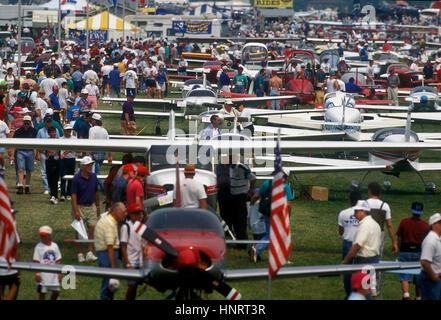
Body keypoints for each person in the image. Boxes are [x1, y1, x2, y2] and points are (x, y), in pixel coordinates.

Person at [249, 168, 293, 262]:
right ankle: (257, 249)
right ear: (286, 177)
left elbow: (256, 196)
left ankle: (257, 249)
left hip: (267, 213)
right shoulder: (286, 187)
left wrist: (251, 205)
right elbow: (288, 205)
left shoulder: (267, 183)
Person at [342, 200, 381, 298]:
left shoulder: (365, 226)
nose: (354, 214)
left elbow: (357, 246)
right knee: (367, 288)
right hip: (374, 259)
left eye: (356, 211)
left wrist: (345, 261)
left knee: (362, 290)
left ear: (363, 211)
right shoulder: (374, 224)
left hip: (364, 261)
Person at [94, 202, 128, 300]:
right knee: (109, 286)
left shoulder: (107, 220)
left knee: (109, 286)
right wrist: (114, 270)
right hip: (107, 256)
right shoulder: (110, 224)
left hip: (103, 255)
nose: (126, 214)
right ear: (116, 211)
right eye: (124, 212)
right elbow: (110, 248)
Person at [396, 201, 429, 300]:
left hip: (405, 250)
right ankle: (418, 297)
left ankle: (406, 295)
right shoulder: (425, 225)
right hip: (418, 251)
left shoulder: (404, 221)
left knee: (404, 274)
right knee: (418, 274)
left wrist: (399, 248)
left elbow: (400, 237)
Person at [71, 156, 100, 263]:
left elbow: (95, 192)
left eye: (91, 164)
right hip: (80, 206)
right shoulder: (76, 178)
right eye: (88, 165)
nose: (90, 166)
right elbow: (74, 196)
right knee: (79, 231)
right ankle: (79, 254)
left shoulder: (93, 177)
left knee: (92, 228)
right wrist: (76, 211)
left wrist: (97, 206)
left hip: (91, 205)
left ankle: (89, 252)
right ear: (82, 167)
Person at [338, 191, 362, 299]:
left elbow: (341, 231)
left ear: (350, 200)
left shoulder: (343, 213)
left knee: (346, 270)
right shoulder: (363, 214)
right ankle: (358, 294)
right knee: (360, 270)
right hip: (359, 244)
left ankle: (348, 294)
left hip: (347, 243)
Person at [229, 155, 256, 248]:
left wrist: (249, 192)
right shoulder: (229, 168)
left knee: (241, 220)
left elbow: (253, 178)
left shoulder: (242, 167)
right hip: (233, 196)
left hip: (241, 196)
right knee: (235, 220)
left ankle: (243, 243)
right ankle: (239, 241)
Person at [120, 203, 144, 300]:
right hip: (130, 260)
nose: (141, 216)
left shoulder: (142, 227)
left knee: (135, 286)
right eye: (137, 214)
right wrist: (128, 263)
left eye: (141, 213)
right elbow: (123, 247)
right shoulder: (126, 227)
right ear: (131, 215)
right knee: (132, 285)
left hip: (139, 260)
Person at [32, 226, 62, 300]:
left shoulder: (54, 246)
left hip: (53, 274)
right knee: (42, 293)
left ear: (49, 235)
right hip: (43, 274)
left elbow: (58, 260)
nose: (42, 238)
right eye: (41, 236)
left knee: (56, 292)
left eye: (44, 236)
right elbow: (36, 261)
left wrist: (58, 273)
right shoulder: (38, 247)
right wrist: (37, 274)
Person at [13, 115, 37, 195]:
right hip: (20, 151)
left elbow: (37, 142)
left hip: (30, 151)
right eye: (25, 122)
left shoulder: (33, 131)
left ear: (30, 123)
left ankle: (27, 186)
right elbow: (14, 143)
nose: (26, 124)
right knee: (20, 169)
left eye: (28, 123)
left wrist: (38, 153)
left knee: (29, 170)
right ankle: (20, 185)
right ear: (23, 122)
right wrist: (12, 155)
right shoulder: (18, 131)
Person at [36, 127, 61, 204]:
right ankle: (52, 195)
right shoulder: (46, 141)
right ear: (49, 133)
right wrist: (45, 153)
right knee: (49, 178)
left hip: (57, 161)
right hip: (48, 160)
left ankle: (55, 196)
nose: (54, 133)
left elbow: (61, 149)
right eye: (52, 132)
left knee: (55, 179)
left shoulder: (58, 141)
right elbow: (40, 148)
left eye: (55, 132)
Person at [89, 113, 112, 191]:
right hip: (102, 154)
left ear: (94, 121)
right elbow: (108, 143)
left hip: (95, 153)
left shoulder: (92, 129)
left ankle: (105, 190)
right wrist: (109, 156)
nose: (91, 121)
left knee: (96, 174)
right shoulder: (104, 130)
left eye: (92, 120)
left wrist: (89, 154)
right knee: (96, 173)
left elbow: (90, 142)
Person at [60, 123, 76, 201]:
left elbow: (74, 149)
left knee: (71, 177)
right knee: (63, 177)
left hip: (71, 159)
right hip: (63, 160)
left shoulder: (74, 139)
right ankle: (62, 194)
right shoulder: (60, 139)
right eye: (67, 130)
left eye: (70, 130)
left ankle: (69, 193)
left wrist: (65, 153)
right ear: (64, 131)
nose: (69, 131)